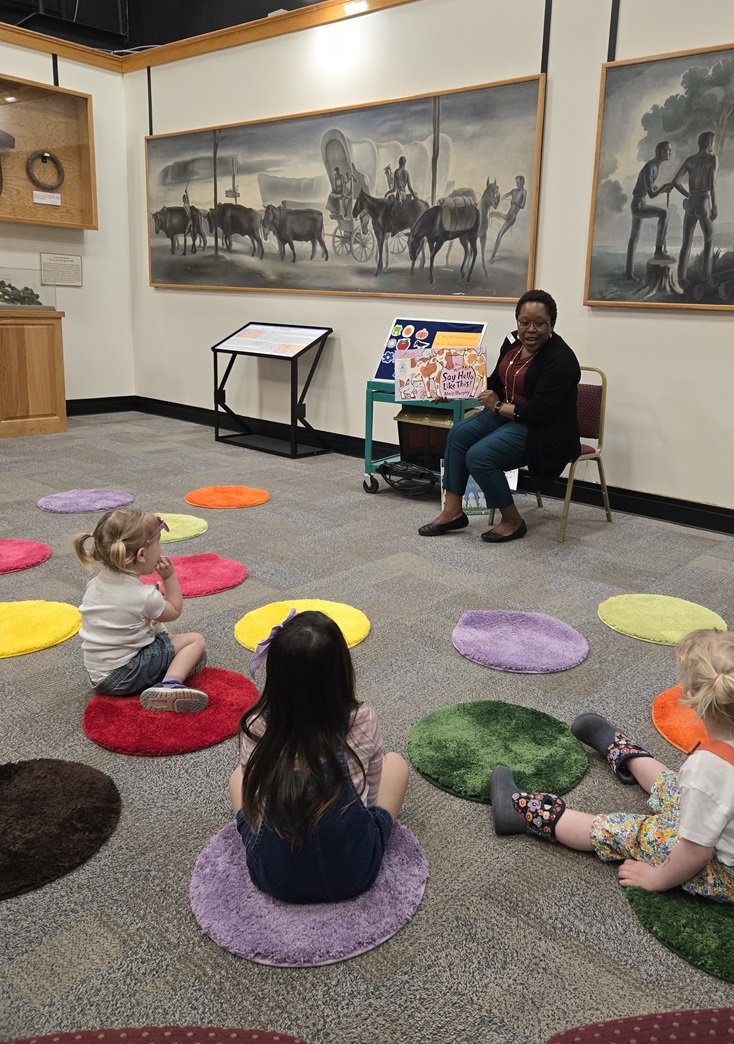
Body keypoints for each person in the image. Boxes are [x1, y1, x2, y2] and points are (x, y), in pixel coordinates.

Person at [491, 629, 734, 905]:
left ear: (694, 698)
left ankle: (523, 812)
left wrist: (656, 879)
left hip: (733, 875)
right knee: (674, 784)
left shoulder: (708, 770)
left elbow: (696, 853)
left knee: (629, 830)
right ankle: (624, 754)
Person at [228, 610, 409, 903]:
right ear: (340, 671)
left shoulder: (257, 724)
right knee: (396, 764)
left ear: (276, 676)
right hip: (355, 872)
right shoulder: (361, 718)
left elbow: (256, 800)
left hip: (275, 877)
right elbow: (370, 790)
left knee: (238, 777)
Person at [418, 288, 580, 544]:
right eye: (524, 322)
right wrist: (451, 389)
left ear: (552, 325)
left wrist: (496, 407)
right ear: (517, 321)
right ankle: (452, 512)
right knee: (459, 434)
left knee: (480, 456)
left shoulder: (561, 360)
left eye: (540, 324)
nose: (531, 330)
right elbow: (493, 382)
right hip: (507, 414)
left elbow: (539, 412)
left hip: (543, 430)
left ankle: (512, 520)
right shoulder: (512, 342)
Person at [74, 508, 207, 712]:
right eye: (158, 543)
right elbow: (174, 610)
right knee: (195, 641)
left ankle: (166, 671)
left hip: (98, 676)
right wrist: (169, 578)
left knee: (158, 629)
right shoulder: (143, 596)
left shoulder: (95, 584)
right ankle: (170, 685)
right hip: (125, 674)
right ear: (142, 554)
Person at [671, 130, 718, 285]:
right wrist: (714, 206)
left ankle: (681, 278)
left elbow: (676, 181)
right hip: (704, 200)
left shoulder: (690, 160)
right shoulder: (712, 159)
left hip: (691, 202)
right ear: (710, 143)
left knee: (686, 242)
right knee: (709, 239)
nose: (714, 144)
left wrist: (688, 194)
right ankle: (706, 277)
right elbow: (712, 186)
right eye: (713, 141)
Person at [625, 141, 674, 280]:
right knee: (664, 213)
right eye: (668, 150)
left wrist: (663, 188)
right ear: (661, 152)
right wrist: (664, 187)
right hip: (639, 204)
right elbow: (652, 194)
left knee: (634, 238)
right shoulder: (650, 167)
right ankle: (658, 251)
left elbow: (651, 188)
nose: (670, 153)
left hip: (639, 202)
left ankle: (628, 273)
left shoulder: (654, 166)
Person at [491, 175, 527, 261]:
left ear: (522, 182)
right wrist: (498, 198)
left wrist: (515, 202)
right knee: (496, 216)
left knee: (499, 233)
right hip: (509, 214)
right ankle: (493, 256)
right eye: (516, 182)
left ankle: (493, 257)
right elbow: (504, 196)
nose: (517, 184)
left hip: (512, 217)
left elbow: (523, 206)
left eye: (519, 182)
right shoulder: (514, 191)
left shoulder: (524, 192)